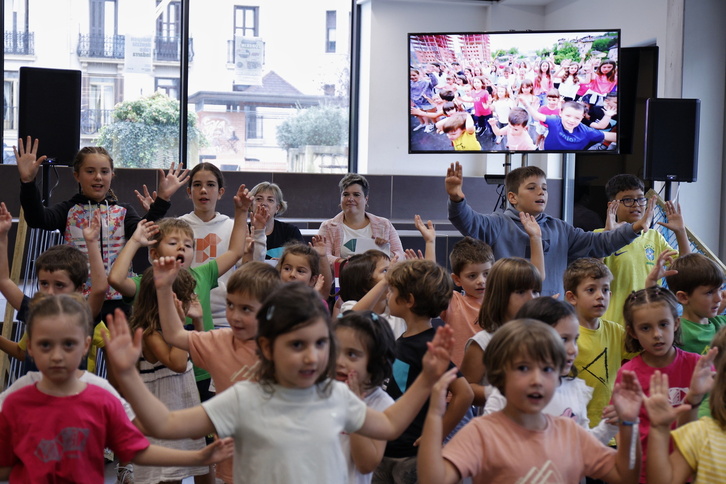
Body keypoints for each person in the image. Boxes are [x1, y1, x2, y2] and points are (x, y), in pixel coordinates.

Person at [102, 282, 457, 484]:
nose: (311, 357)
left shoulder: (336, 394)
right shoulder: (246, 397)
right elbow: (164, 423)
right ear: (269, 348)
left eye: (320, 344)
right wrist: (129, 374)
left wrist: (427, 379)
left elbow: (391, 424)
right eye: (297, 346)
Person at [0, 293, 232, 482]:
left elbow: (136, 449)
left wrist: (197, 457)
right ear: (30, 347)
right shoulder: (16, 402)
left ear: (85, 346)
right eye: (45, 345)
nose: (57, 356)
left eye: (69, 344)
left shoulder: (100, 397)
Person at [418, 318, 643, 484]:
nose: (537, 380)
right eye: (523, 368)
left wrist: (630, 423)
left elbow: (624, 475)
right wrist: (434, 417)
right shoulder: (480, 433)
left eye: (547, 369)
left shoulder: (570, 432)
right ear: (499, 374)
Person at [109, 189, 249, 407]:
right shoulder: (147, 282)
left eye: (188, 245)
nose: (182, 247)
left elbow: (235, 252)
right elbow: (116, 280)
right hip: (163, 375)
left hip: (201, 372)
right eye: (173, 243)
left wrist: (241, 212)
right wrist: (135, 241)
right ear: (154, 253)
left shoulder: (202, 274)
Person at [15, 137, 188, 311]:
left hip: (119, 299)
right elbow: (37, 219)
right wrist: (28, 183)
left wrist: (163, 199)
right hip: (79, 300)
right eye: (90, 171)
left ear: (112, 175)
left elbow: (143, 230)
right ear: (77, 175)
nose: (98, 177)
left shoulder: (122, 211)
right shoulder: (68, 210)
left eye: (104, 172)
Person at [154, 258, 281, 483]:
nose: (235, 316)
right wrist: (164, 288)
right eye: (231, 305)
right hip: (233, 462)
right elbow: (174, 335)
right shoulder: (220, 341)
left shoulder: (285, 348)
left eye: (246, 309)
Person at [446, 163, 651, 297]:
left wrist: (634, 228)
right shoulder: (497, 224)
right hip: (508, 320)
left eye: (544, 188)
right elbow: (468, 222)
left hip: (553, 318)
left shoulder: (559, 228)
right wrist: (457, 199)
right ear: (512, 197)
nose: (541, 192)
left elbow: (599, 244)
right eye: (532, 187)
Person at [373, 260, 473, 484]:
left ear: (408, 300)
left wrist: (436, 434)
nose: (388, 295)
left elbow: (464, 393)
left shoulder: (427, 345)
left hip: (411, 455)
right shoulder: (405, 340)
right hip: (388, 447)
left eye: (392, 291)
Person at [482, 297, 621, 444]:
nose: (573, 349)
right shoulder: (507, 392)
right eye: (563, 339)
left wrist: (609, 426)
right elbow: (488, 443)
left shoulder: (575, 390)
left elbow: (582, 445)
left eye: (575, 339)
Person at [616, 286, 712, 483]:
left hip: (689, 467)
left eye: (663, 324)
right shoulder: (628, 374)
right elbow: (621, 428)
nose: (657, 334)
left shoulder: (696, 365)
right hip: (645, 473)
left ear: (676, 323)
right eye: (645, 328)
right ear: (632, 332)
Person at [0, 203, 108, 373]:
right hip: (37, 395)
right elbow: (4, 281)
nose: (50, 292)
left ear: (79, 288)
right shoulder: (36, 310)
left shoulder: (82, 315)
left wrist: (92, 242)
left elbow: (100, 289)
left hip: (71, 396)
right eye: (44, 283)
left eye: (59, 285)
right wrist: (2, 237)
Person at [128, 266, 210, 484]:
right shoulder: (149, 332)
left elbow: (201, 357)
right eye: (184, 298)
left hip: (181, 408)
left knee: (194, 470)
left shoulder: (172, 328)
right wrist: (181, 326)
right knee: (167, 475)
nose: (188, 302)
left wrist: (199, 321)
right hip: (162, 412)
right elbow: (178, 364)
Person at [597, 174, 690, 325]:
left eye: (640, 199)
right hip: (614, 325)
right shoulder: (599, 237)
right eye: (627, 200)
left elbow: (685, 270)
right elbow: (592, 276)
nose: (636, 204)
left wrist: (680, 232)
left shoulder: (654, 237)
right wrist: (608, 235)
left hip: (648, 324)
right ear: (612, 205)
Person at [178, 163, 256, 329]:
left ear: (221, 192)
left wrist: (249, 253)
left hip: (225, 316)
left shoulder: (233, 227)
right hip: (185, 313)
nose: (203, 190)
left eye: (210, 185)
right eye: (197, 185)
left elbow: (245, 269)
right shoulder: (178, 226)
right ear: (189, 192)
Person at [564, 257, 637, 429]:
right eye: (591, 290)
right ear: (572, 297)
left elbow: (648, 351)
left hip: (610, 426)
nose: (600, 296)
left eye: (605, 290)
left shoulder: (616, 331)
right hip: (575, 427)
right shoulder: (564, 335)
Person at [460, 257, 542, 407]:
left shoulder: (543, 338)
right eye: (521, 291)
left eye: (536, 292)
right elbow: (465, 389)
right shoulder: (484, 342)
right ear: (500, 295)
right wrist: (502, 394)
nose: (532, 298)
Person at [335, 310, 396, 484]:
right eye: (335, 351)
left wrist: (355, 406)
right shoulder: (322, 391)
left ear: (377, 361)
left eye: (352, 354)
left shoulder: (381, 404)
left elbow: (366, 464)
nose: (339, 361)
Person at [318, 173, 405, 270]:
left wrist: (385, 250)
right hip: (342, 281)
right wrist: (347, 263)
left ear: (366, 199)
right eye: (346, 194)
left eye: (356, 195)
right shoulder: (328, 226)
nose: (350, 199)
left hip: (379, 280)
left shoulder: (384, 224)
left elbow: (400, 257)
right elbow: (323, 258)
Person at [439, 237, 493, 367]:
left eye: (486, 273)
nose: (481, 281)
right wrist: (430, 243)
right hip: (459, 381)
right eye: (472, 276)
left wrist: (535, 239)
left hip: (491, 378)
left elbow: (533, 278)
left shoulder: (501, 302)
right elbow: (432, 289)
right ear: (457, 279)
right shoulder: (454, 302)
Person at [525, 100, 617, 150]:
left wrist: (607, 116)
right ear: (561, 113)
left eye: (577, 118)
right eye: (568, 116)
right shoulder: (555, 121)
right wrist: (527, 105)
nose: (571, 120)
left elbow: (611, 136)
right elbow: (537, 116)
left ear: (582, 118)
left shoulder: (587, 131)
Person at [248, 181, 305, 259]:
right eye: (258, 199)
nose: (264, 203)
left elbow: (303, 259)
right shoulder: (243, 231)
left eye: (270, 200)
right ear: (251, 205)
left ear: (277, 208)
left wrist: (285, 262)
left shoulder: (290, 231)